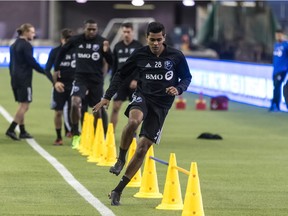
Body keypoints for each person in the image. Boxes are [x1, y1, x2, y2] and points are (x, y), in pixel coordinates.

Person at [93, 21, 192, 206]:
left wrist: (178, 89)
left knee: (143, 148)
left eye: (159, 40)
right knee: (133, 122)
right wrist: (107, 97)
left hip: (162, 105)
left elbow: (187, 77)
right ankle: (121, 159)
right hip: (143, 97)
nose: (155, 43)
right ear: (146, 38)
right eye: (152, 40)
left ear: (164, 38)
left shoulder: (176, 56)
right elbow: (120, 74)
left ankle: (117, 190)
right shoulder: (139, 54)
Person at [54, 19, 113, 149]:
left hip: (96, 80)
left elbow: (111, 61)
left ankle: (97, 137)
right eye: (89, 29)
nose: (91, 31)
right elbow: (62, 51)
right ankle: (76, 134)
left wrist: (107, 51)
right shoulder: (76, 40)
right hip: (80, 78)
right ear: (84, 28)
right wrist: (57, 67)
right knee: (75, 103)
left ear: (97, 30)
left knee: (97, 110)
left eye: (94, 29)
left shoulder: (102, 41)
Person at [5, 23, 54, 141]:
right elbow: (32, 62)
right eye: (32, 32)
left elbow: (11, 64)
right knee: (25, 106)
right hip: (24, 79)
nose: (34, 34)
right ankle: (11, 129)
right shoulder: (26, 45)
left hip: (15, 78)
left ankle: (22, 131)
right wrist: (45, 72)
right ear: (25, 32)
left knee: (21, 105)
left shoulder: (13, 45)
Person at [110, 22, 142, 130]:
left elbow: (141, 66)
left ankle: (133, 135)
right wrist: (112, 82)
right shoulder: (117, 46)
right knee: (115, 107)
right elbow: (114, 67)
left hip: (134, 84)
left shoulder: (138, 46)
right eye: (124, 32)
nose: (126, 34)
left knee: (135, 111)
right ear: (121, 33)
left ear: (133, 32)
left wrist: (136, 79)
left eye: (128, 32)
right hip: (120, 83)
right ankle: (110, 133)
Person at [45, 28, 75, 145]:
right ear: (62, 39)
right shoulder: (55, 52)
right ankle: (58, 137)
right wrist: (55, 83)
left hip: (74, 85)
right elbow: (47, 69)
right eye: (67, 39)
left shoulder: (76, 51)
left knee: (74, 111)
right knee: (58, 112)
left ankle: (74, 133)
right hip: (60, 86)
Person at [269, 29, 288, 112]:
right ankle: (275, 104)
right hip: (275, 69)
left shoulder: (286, 45)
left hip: (282, 69)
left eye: (279, 35)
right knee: (276, 86)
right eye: (276, 35)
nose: (277, 36)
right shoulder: (276, 45)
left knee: (277, 86)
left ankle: (275, 104)